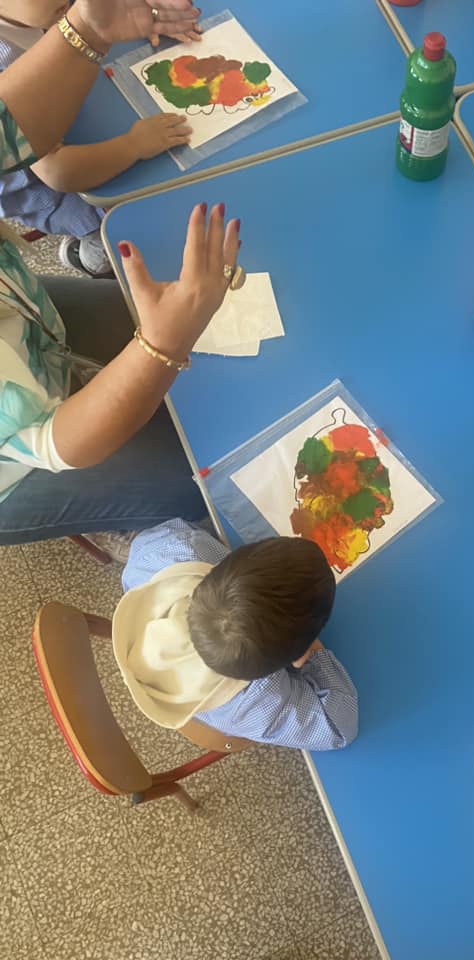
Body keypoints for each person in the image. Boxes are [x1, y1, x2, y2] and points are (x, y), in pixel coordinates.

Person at [0, 0, 241, 545]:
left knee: (214, 346)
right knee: (207, 473)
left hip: (25, 318)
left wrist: (90, 27)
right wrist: (159, 346)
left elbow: (8, 127)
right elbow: (56, 442)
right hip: (22, 463)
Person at [114, 518, 359, 750]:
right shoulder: (258, 701)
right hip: (216, 711)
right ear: (291, 658)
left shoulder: (175, 549)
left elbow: (171, 533)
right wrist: (313, 652)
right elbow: (340, 728)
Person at [0, 0, 195, 278]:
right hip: (58, 194)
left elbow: (99, 16)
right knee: (124, 233)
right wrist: (134, 146)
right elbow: (60, 171)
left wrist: (143, 15)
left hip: (85, 121)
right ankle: (88, 253)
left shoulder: (46, 9)